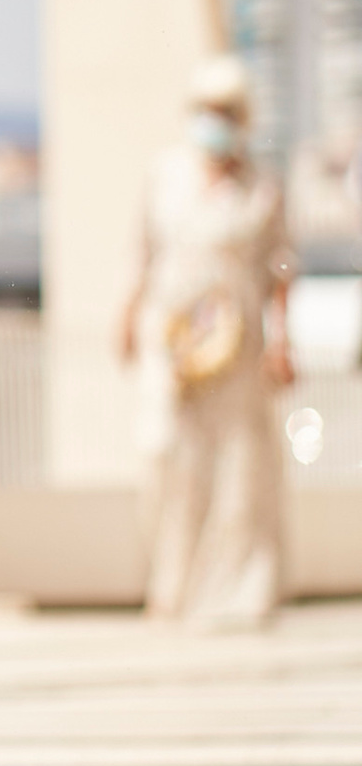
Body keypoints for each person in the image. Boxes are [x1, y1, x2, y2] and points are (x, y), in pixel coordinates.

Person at [120, 56, 297, 630]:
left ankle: (236, 593)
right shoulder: (165, 174)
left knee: (238, 470)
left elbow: (281, 270)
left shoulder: (262, 188)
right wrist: (128, 313)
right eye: (207, 109)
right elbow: (143, 250)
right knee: (168, 458)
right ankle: (171, 587)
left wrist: (281, 340)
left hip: (238, 347)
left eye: (226, 111)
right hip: (173, 344)